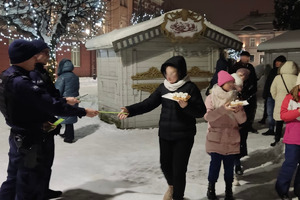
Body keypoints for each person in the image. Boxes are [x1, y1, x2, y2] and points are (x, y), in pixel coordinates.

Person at [0, 39, 98, 200]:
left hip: (27, 133)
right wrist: (83, 111)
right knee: (25, 181)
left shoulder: (10, 76)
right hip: (29, 138)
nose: (36, 59)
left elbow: (35, 103)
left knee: (24, 175)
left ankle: (40, 192)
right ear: (26, 58)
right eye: (34, 56)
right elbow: (49, 104)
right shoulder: (21, 82)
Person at [118, 56, 206, 200]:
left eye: (173, 73)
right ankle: (171, 186)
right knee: (165, 165)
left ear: (181, 72)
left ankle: (178, 196)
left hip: (184, 136)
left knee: (179, 170)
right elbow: (148, 104)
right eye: (167, 73)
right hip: (165, 134)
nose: (169, 77)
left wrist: (186, 106)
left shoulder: (190, 88)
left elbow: (200, 112)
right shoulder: (163, 87)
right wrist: (130, 110)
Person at [30, 39, 79, 199]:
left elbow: (55, 93)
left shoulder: (49, 74)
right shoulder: (32, 74)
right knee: (35, 164)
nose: (48, 56)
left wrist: (63, 100)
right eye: (45, 53)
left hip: (51, 117)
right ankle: (37, 192)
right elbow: (44, 98)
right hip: (39, 125)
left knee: (45, 162)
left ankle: (43, 190)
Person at [204, 70, 246, 200]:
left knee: (229, 168)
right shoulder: (211, 97)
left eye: (233, 83)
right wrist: (223, 109)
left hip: (232, 137)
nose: (232, 85)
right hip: (216, 137)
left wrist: (238, 110)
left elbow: (243, 120)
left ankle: (229, 191)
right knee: (214, 166)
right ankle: (211, 189)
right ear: (222, 83)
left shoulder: (236, 98)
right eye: (230, 83)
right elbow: (208, 117)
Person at [275, 74, 300, 200]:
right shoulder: (291, 97)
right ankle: (282, 189)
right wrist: (298, 111)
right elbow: (283, 115)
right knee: (290, 164)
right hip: (294, 137)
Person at [229, 51, 257, 134]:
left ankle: (249, 125)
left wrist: (253, 87)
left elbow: (254, 78)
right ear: (241, 57)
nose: (246, 59)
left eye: (247, 57)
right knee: (240, 109)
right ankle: (240, 124)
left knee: (251, 109)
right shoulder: (235, 67)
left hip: (250, 91)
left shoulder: (250, 67)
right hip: (240, 91)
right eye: (244, 57)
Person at [270, 61, 298, 146]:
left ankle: (277, 139)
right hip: (293, 102)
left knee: (279, 122)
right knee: (292, 122)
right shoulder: (297, 78)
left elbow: (272, 90)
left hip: (280, 101)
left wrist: (277, 98)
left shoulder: (278, 77)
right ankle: (291, 139)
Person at [55, 58, 80, 143]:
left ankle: (69, 137)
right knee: (70, 117)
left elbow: (57, 90)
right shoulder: (75, 76)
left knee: (65, 118)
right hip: (74, 99)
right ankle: (67, 133)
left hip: (66, 100)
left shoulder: (62, 77)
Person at [231, 68, 251, 176]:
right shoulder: (227, 91)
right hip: (231, 122)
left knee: (240, 143)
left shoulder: (246, 88)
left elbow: (249, 106)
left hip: (242, 121)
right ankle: (235, 164)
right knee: (233, 145)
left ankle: (237, 163)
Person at [262, 56, 287, 136]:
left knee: (279, 113)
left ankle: (278, 130)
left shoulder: (285, 73)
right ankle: (271, 128)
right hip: (270, 95)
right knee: (270, 112)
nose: (277, 63)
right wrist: (265, 93)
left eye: (279, 61)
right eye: (276, 61)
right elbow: (268, 83)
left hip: (280, 96)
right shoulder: (272, 71)